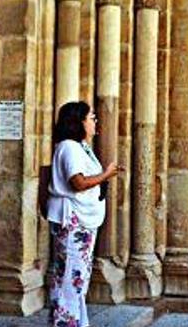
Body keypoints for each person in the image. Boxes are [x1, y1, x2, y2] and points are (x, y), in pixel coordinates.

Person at [47, 101, 121, 327]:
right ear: (78, 122)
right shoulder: (69, 147)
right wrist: (107, 174)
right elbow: (78, 182)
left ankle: (77, 322)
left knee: (77, 278)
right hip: (73, 222)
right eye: (91, 118)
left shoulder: (80, 146)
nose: (95, 121)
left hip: (82, 222)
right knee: (70, 278)